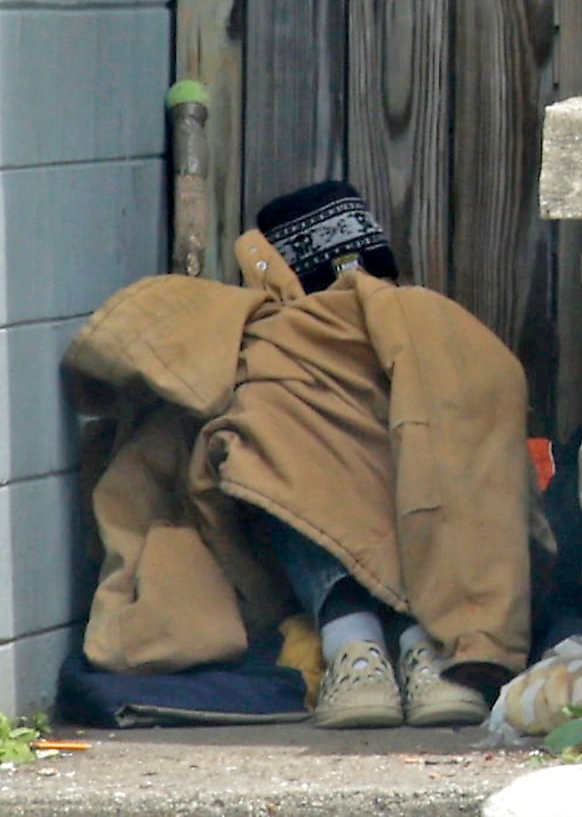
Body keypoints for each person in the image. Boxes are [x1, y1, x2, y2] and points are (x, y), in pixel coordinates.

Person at [66, 181, 536, 730]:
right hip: (452, 608)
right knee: (296, 439)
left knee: (262, 435)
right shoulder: (442, 326)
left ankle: (354, 645)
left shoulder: (266, 343)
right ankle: (424, 649)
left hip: (331, 579)